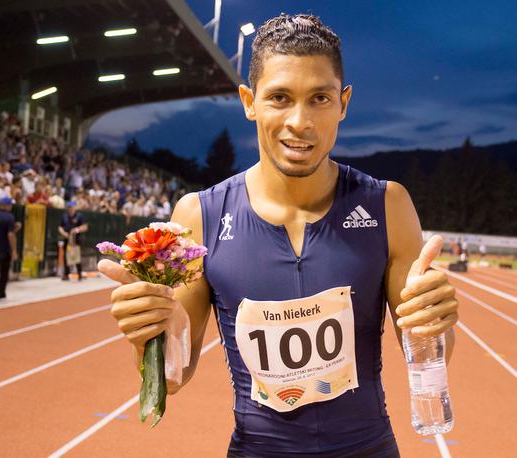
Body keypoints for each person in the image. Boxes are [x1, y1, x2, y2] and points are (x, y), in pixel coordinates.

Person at [99, 14, 460, 458]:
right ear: (249, 101)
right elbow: (174, 375)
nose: (299, 121)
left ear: (343, 103)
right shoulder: (200, 216)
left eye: (319, 98)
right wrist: (148, 336)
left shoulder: (388, 205)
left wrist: (436, 321)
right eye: (280, 98)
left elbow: (420, 349)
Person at [59, 201, 88, 281]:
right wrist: (64, 233)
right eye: (69, 208)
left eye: (72, 207)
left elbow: (85, 226)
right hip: (67, 239)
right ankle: (66, 274)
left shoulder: (79, 216)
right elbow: (60, 227)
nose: (70, 209)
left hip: (76, 240)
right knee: (66, 256)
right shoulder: (64, 216)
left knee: (77, 256)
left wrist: (77, 230)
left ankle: (79, 273)